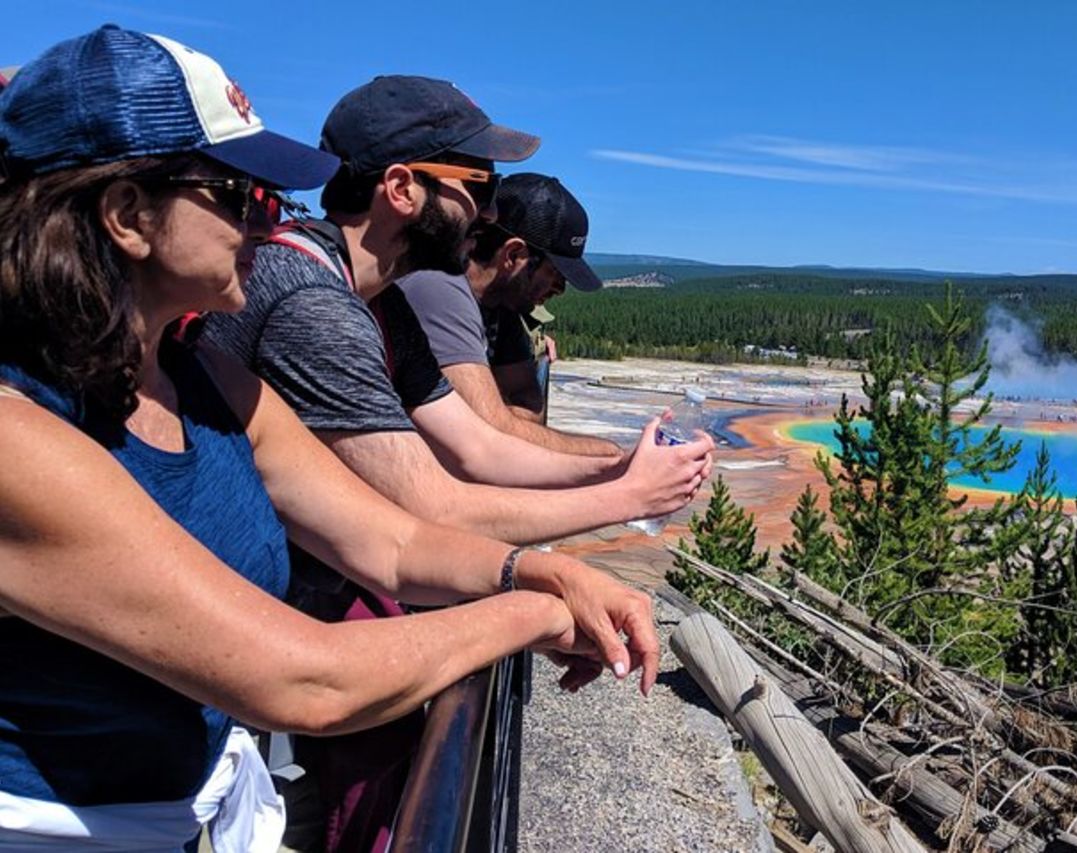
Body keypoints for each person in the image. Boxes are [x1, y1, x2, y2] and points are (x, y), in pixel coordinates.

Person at [0, 27, 652, 851]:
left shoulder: (199, 372)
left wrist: (540, 568)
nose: (266, 222)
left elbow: (393, 539)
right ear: (128, 216)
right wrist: (529, 615)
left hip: (189, 806)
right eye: (240, 195)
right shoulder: (19, 434)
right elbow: (302, 677)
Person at [200, 75, 708, 851]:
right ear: (401, 189)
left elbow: (480, 445)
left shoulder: (379, 299)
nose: (489, 210)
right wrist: (620, 500)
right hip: (225, 656)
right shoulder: (313, 301)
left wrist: (617, 475)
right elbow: (427, 507)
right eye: (478, 184)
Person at [399, 173, 620, 454]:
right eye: (555, 272)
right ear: (513, 255)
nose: (560, 288)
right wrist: (613, 455)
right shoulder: (437, 287)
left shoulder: (501, 309)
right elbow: (486, 435)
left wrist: (506, 422)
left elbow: (528, 401)